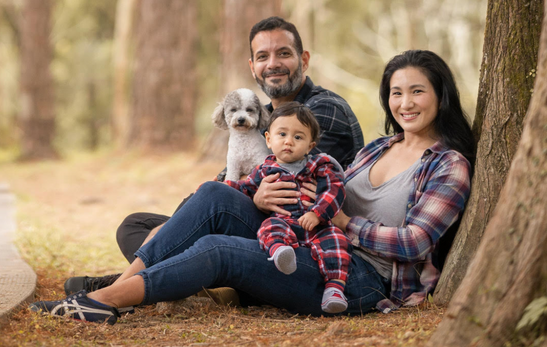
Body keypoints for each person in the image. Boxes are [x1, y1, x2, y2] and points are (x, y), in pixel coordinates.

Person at [32, 50, 474, 324]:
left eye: (417, 92)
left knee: (220, 250)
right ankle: (119, 291)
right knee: (214, 196)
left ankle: (105, 300)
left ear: (440, 95)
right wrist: (263, 195)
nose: (405, 103)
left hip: (360, 279)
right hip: (305, 236)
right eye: (397, 93)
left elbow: (416, 242)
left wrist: (342, 220)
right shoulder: (379, 148)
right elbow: (321, 179)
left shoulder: (447, 166)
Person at [66, 16, 365, 295]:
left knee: (199, 210)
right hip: (256, 218)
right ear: (252, 67)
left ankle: (120, 286)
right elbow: (231, 179)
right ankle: (188, 279)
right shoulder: (263, 117)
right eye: (263, 57)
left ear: (304, 59)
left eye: (283, 54)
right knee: (136, 226)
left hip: (297, 235)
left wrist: (248, 194)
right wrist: (232, 196)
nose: (272, 64)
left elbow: (299, 192)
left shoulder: (323, 109)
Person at [226, 102, 349, 314]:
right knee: (268, 228)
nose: (288, 142)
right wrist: (224, 186)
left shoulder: (319, 166)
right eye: (282, 134)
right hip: (284, 222)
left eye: (298, 137)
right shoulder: (265, 169)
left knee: (337, 242)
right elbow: (245, 188)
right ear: (268, 139)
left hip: (316, 225)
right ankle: (281, 252)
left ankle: (335, 289)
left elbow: (335, 190)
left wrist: (317, 213)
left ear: (310, 146)